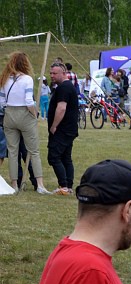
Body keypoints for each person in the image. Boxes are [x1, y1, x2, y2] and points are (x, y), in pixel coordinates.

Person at [2, 52, 52, 194]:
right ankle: (40, 185)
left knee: (12, 152)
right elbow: (29, 101)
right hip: (24, 114)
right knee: (34, 151)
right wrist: (34, 113)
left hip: (9, 114)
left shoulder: (4, 79)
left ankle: (14, 185)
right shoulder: (27, 79)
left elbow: (1, 101)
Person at [46, 63, 79, 196]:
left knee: (54, 156)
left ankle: (64, 185)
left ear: (63, 73)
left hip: (63, 129)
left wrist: (54, 126)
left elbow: (61, 108)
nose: (52, 76)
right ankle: (68, 186)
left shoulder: (64, 88)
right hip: (69, 129)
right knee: (66, 157)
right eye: (51, 73)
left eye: (54, 73)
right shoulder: (67, 86)